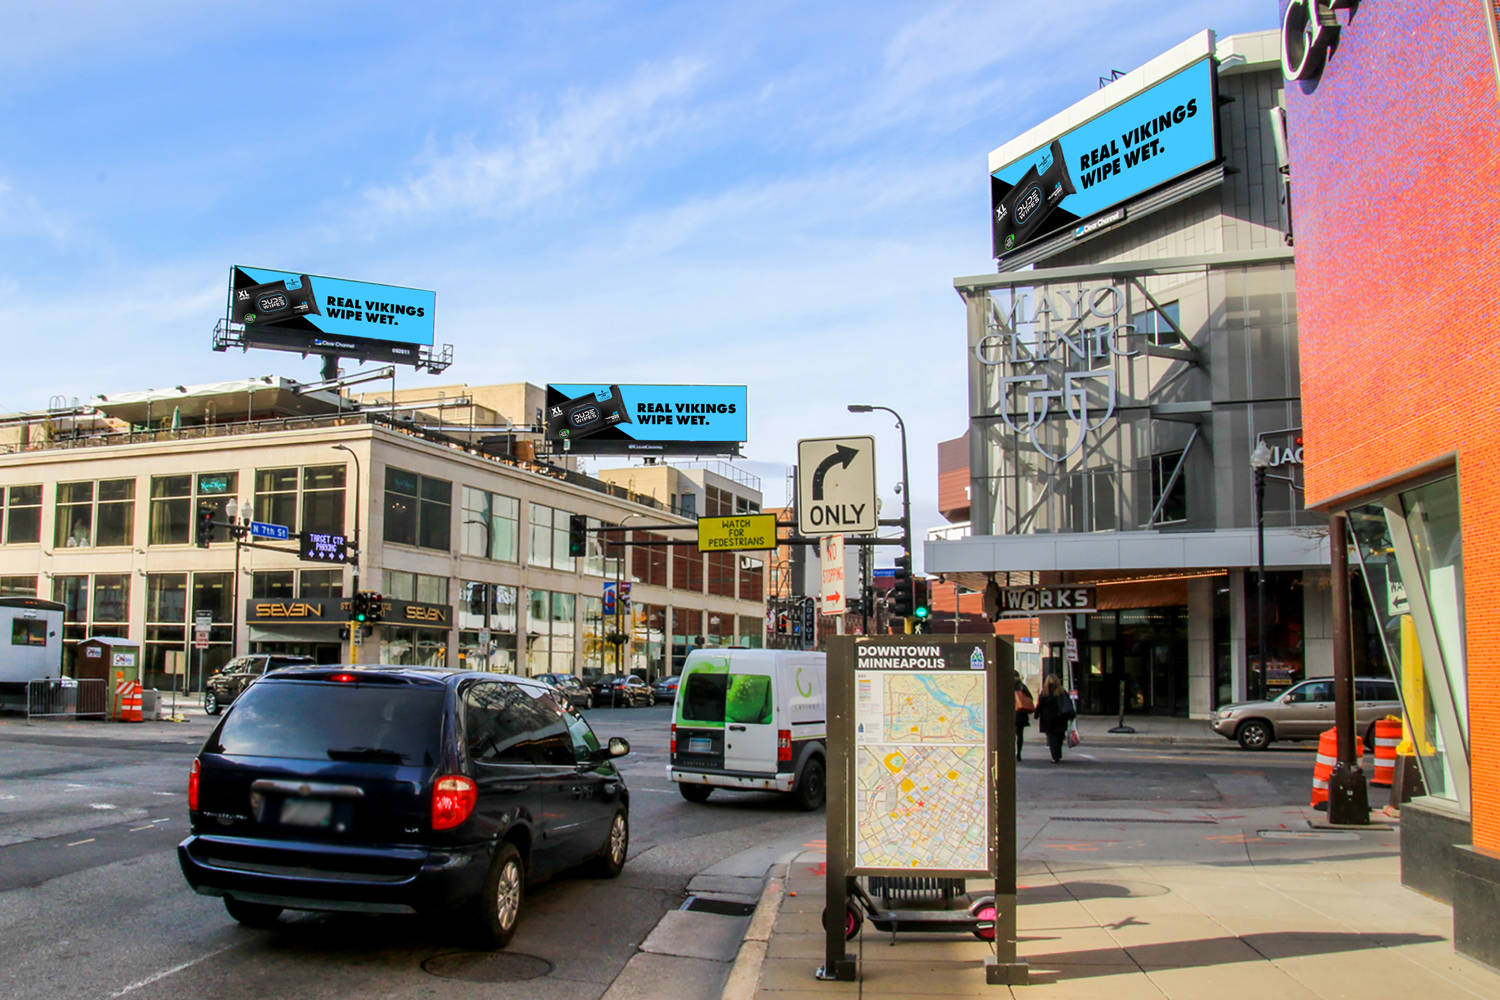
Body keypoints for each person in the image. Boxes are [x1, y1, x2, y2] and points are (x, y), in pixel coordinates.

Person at [1034, 674, 1075, 763]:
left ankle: (1055, 756)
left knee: (1052, 738)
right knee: (1060, 736)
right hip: (1060, 717)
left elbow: (1040, 705)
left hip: (1048, 718)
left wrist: (1036, 714)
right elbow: (1068, 704)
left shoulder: (1044, 693)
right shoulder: (1062, 692)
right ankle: (1058, 753)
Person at [1013, 670, 1034, 762]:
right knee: (1020, 734)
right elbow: (1030, 698)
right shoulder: (1022, 686)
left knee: (1010, 735)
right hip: (1021, 713)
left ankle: (1010, 752)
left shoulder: (1005, 685)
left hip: (1009, 714)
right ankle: (1019, 753)